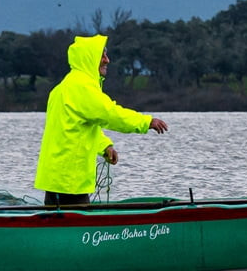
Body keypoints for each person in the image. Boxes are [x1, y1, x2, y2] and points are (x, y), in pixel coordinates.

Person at [35, 34, 169, 206]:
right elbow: (110, 114)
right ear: (89, 59)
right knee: (78, 227)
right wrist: (146, 122)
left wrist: (104, 146)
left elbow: (78, 127)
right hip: (70, 180)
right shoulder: (82, 87)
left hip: (56, 178)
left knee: (55, 226)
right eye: (102, 56)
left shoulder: (64, 87)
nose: (107, 60)